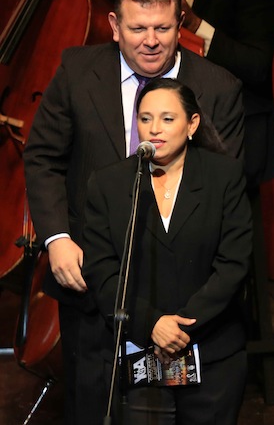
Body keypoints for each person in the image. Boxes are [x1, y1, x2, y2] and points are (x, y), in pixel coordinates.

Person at [23, 0, 244, 424]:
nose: (151, 41)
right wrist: (57, 238)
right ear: (114, 25)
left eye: (162, 28)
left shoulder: (219, 88)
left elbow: (225, 196)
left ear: (179, 24)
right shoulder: (77, 71)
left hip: (187, 303)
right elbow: (42, 157)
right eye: (138, 28)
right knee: (95, 410)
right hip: (94, 285)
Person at [82, 78, 252, 423]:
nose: (154, 129)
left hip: (211, 349)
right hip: (141, 350)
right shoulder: (109, 184)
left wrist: (182, 327)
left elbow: (233, 264)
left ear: (192, 124)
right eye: (145, 118)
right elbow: (102, 270)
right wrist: (152, 323)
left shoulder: (224, 176)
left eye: (167, 118)